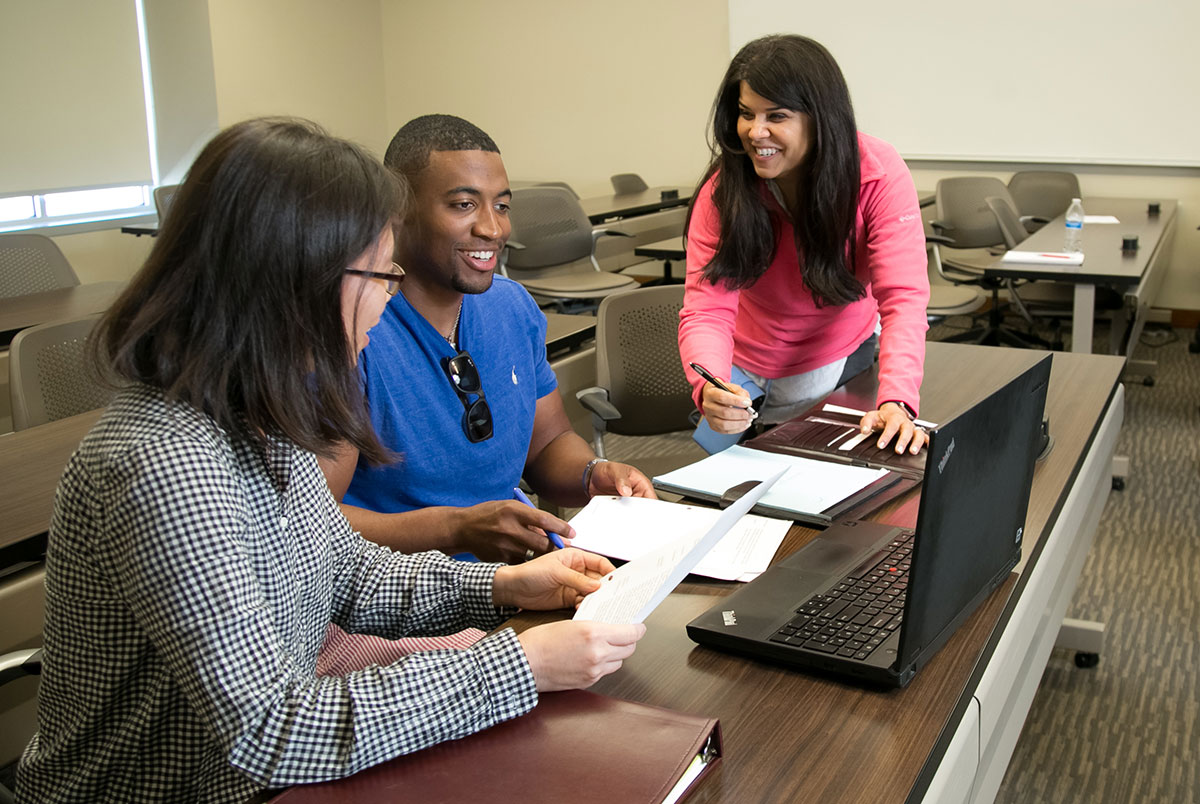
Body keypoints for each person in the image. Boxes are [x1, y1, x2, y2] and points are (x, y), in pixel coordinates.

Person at [15, 118, 644, 804]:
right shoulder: (165, 463)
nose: (386, 297)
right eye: (378, 274)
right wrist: (516, 665)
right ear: (293, 282)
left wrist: (502, 588)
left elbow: (342, 574)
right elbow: (274, 729)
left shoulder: (262, 413)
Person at [320, 114, 656, 567]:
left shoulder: (512, 306)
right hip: (408, 596)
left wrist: (593, 475)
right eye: (463, 205)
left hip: (525, 577)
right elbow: (314, 524)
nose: (493, 229)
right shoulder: (354, 332)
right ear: (398, 213)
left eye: (501, 206)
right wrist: (454, 529)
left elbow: (548, 442)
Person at [679, 34, 931, 455]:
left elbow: (903, 299)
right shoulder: (722, 190)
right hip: (741, 363)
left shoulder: (878, 174)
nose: (755, 132)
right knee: (730, 486)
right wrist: (709, 386)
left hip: (834, 357)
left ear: (820, 118)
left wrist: (898, 399)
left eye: (776, 116)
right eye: (746, 114)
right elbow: (706, 310)